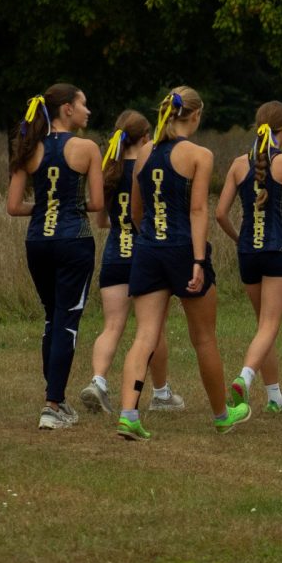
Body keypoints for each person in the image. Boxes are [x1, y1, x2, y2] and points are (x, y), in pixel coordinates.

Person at [115, 87, 250, 440]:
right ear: (196, 115)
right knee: (204, 338)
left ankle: (128, 413)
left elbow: (135, 211)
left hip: (148, 249)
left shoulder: (144, 152)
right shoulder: (199, 155)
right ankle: (222, 415)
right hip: (183, 250)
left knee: (145, 334)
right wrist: (198, 260)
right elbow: (198, 210)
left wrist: (150, 238)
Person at [6, 84, 103, 430]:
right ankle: (53, 404)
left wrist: (45, 207)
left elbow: (14, 207)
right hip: (73, 241)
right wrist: (65, 206)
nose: (87, 111)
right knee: (67, 319)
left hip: (38, 243)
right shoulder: (87, 149)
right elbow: (96, 203)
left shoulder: (28, 148)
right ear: (66, 109)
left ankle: (54, 396)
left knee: (51, 317)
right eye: (83, 104)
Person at [79, 111, 184, 415]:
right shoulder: (149, 165)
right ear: (145, 137)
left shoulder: (108, 168)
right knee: (153, 330)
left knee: (112, 326)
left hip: (115, 255)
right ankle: (161, 393)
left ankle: (98, 382)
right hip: (144, 256)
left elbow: (101, 220)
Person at [215, 101, 282, 417]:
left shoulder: (239, 164)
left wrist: (240, 239)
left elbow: (220, 213)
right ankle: (244, 378)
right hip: (278, 252)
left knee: (263, 328)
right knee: (269, 326)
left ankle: (275, 398)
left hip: (248, 254)